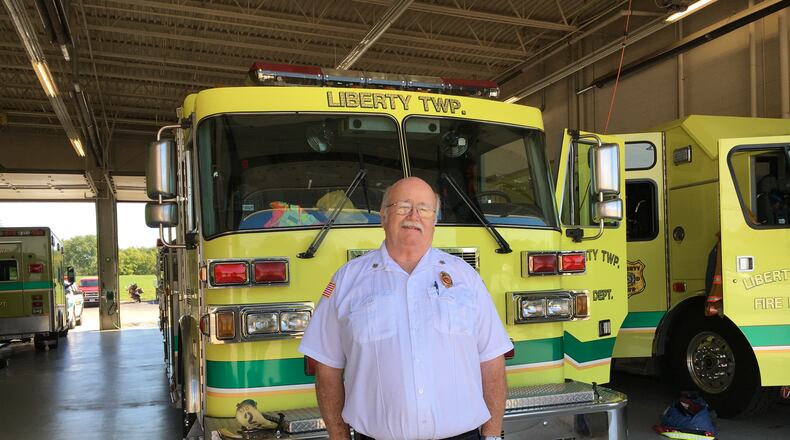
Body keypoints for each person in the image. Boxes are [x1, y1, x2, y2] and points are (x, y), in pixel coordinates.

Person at [299, 177, 513, 440]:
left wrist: (492, 436)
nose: (414, 215)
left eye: (424, 208)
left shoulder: (465, 277)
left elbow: (491, 361)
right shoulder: (347, 280)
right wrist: (339, 437)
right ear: (384, 215)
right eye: (403, 206)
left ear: (434, 220)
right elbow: (327, 368)